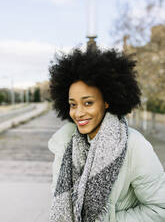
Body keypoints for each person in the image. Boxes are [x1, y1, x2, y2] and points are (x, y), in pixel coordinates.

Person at [48, 48, 165, 222]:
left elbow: (160, 209)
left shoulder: (134, 145)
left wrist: (106, 220)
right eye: (73, 104)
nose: (78, 113)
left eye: (88, 103)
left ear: (107, 101)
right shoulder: (66, 145)